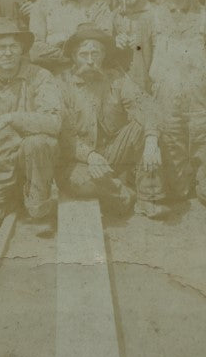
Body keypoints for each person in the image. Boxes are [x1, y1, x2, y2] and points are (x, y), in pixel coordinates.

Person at [0, 18, 62, 233]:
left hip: (35, 161)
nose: (7, 53)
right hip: (2, 164)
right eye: (0, 47)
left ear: (22, 49)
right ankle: (13, 198)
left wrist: (7, 118)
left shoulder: (40, 76)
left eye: (13, 46)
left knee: (37, 143)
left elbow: (53, 122)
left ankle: (39, 206)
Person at [56, 25, 168, 218]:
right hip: (79, 159)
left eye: (95, 54)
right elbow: (62, 134)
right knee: (81, 184)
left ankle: (147, 198)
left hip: (114, 152)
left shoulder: (116, 79)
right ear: (74, 56)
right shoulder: (61, 83)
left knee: (146, 128)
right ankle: (121, 193)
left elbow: (145, 107)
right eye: (84, 54)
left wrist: (151, 140)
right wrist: (90, 156)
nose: (90, 61)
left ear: (104, 55)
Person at [147, 0, 206, 199]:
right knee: (176, 184)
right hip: (167, 100)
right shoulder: (153, 16)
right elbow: (142, 57)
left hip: (201, 100)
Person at [109, 0, 155, 91]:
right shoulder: (112, 16)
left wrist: (143, 45)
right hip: (119, 89)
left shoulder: (155, 14)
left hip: (149, 87)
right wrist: (113, 43)